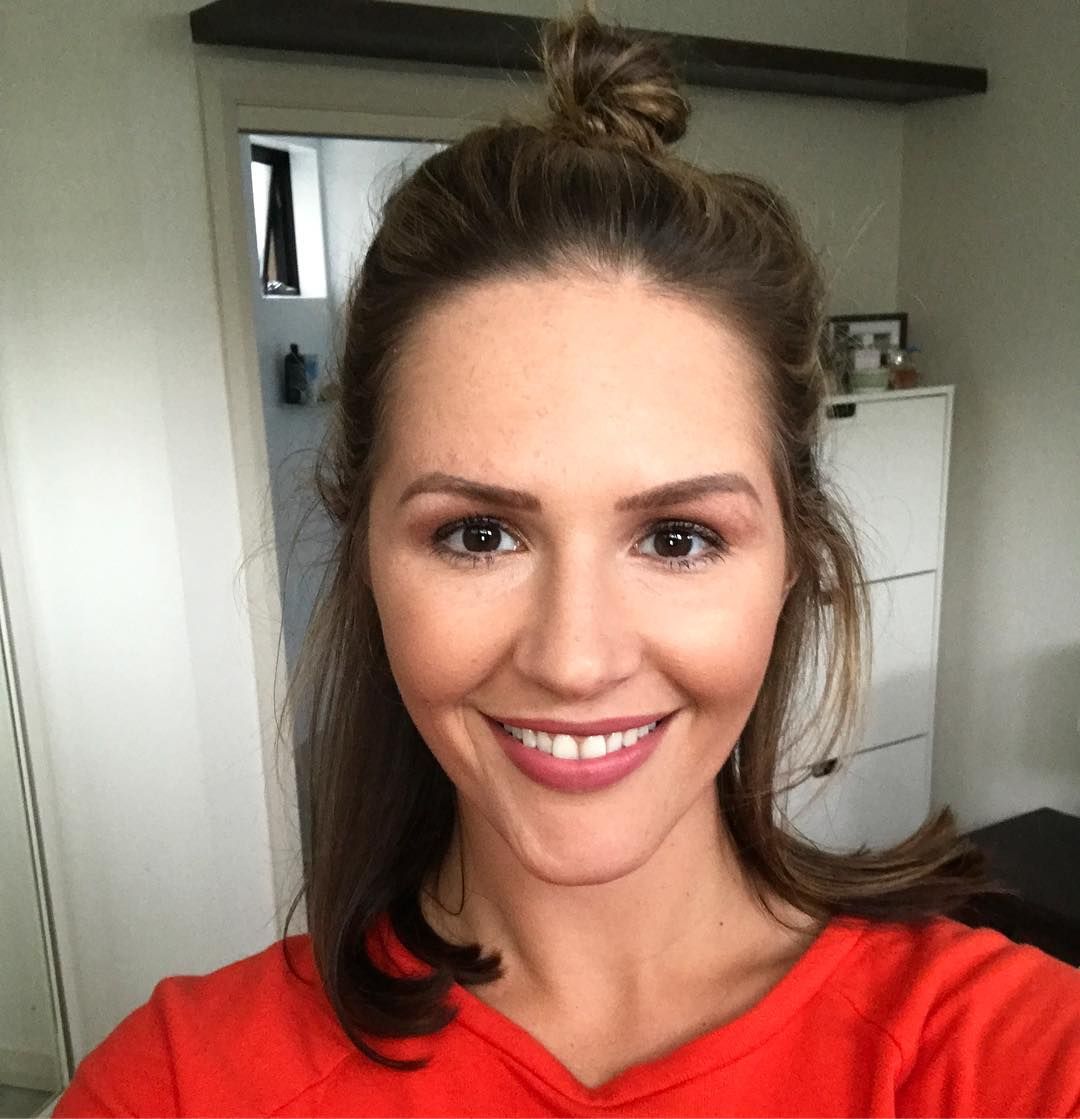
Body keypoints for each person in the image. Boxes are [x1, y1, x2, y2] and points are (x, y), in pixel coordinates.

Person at [55, 8, 1080, 1117]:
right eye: (478, 534)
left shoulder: (1012, 1061)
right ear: (366, 558)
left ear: (795, 558)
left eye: (677, 537)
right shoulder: (179, 1085)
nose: (576, 659)